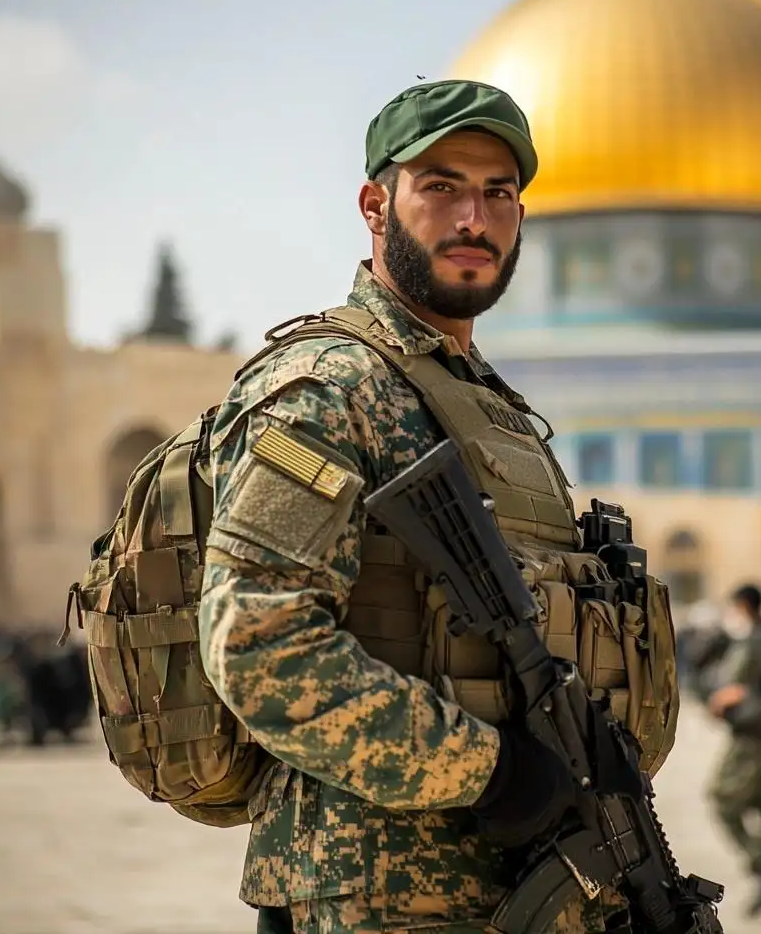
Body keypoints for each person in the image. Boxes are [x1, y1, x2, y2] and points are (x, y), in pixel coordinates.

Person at [196, 79, 686, 934]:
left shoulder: (490, 408)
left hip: (511, 887)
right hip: (377, 894)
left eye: (500, 193)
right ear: (375, 205)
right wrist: (490, 772)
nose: (475, 218)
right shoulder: (322, 393)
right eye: (443, 186)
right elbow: (258, 644)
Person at [706, 584, 761, 913]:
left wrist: (720, 700)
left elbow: (728, 687)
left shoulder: (752, 642)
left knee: (721, 798)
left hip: (751, 740)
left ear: (743, 605)